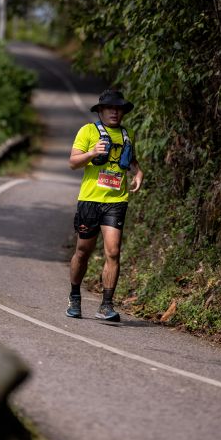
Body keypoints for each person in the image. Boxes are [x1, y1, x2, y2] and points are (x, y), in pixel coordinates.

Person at [67, 88, 144, 321]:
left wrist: (138, 172)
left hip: (116, 201)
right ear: (100, 110)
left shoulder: (127, 134)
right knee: (83, 251)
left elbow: (130, 160)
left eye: (118, 109)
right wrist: (92, 153)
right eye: (110, 108)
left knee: (113, 251)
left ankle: (106, 305)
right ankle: (75, 296)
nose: (114, 112)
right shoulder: (88, 131)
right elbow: (73, 162)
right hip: (90, 200)